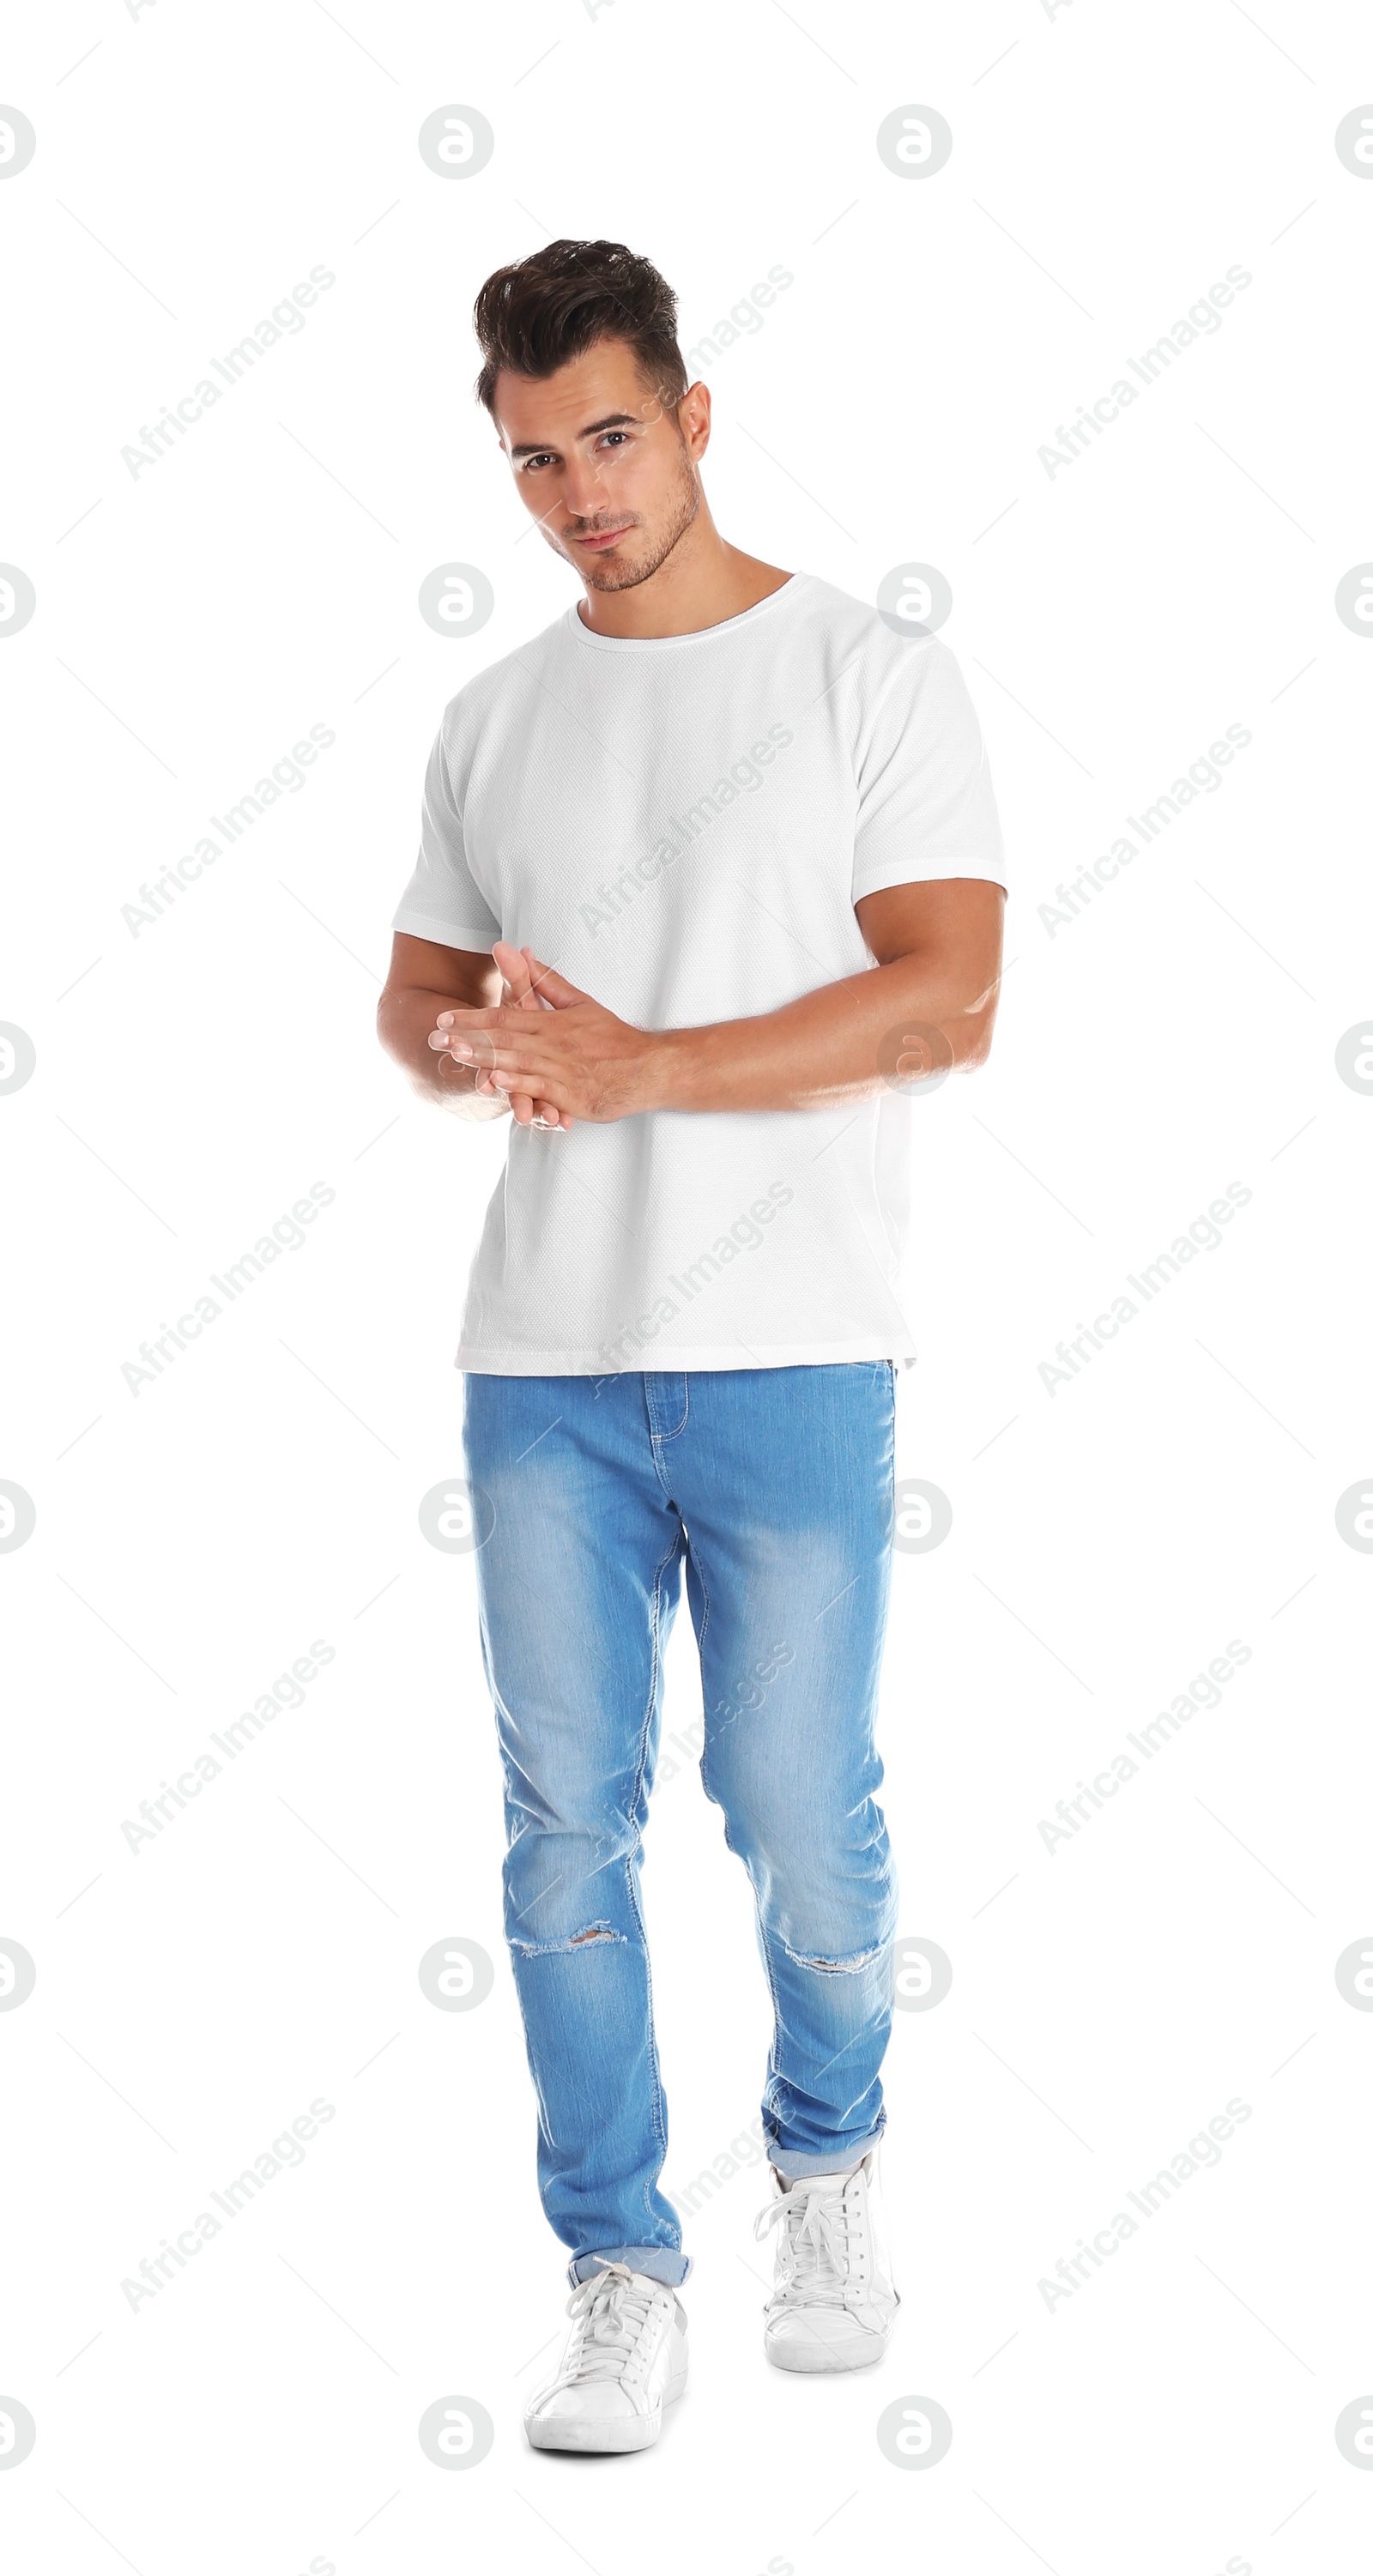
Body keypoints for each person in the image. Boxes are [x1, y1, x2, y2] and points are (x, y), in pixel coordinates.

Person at [378, 239, 1007, 2455]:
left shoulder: (863, 673)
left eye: (611, 438)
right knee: (562, 1831)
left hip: (793, 1341)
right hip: (541, 1356)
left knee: (794, 1819)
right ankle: (617, 2265)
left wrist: (650, 1069)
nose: (578, 496)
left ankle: (826, 2170)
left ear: (698, 412)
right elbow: (414, 998)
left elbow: (950, 991)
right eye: (535, 460)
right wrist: (478, 1048)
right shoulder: (494, 717)